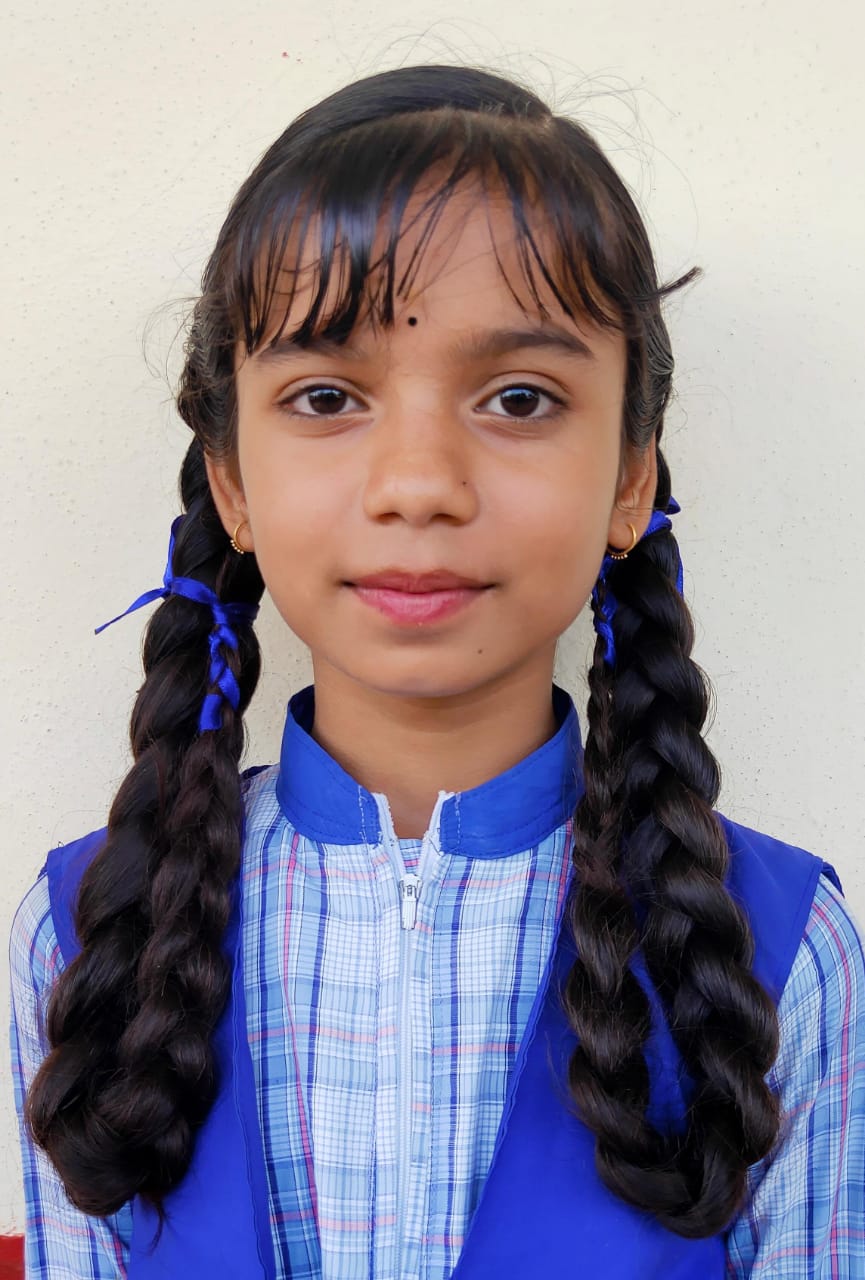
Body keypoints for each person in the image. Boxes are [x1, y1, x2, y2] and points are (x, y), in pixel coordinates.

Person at [9, 63, 865, 1279]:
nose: (418, 483)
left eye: (518, 397)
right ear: (231, 481)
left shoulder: (780, 945)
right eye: (324, 395)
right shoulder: (88, 935)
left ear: (630, 478)